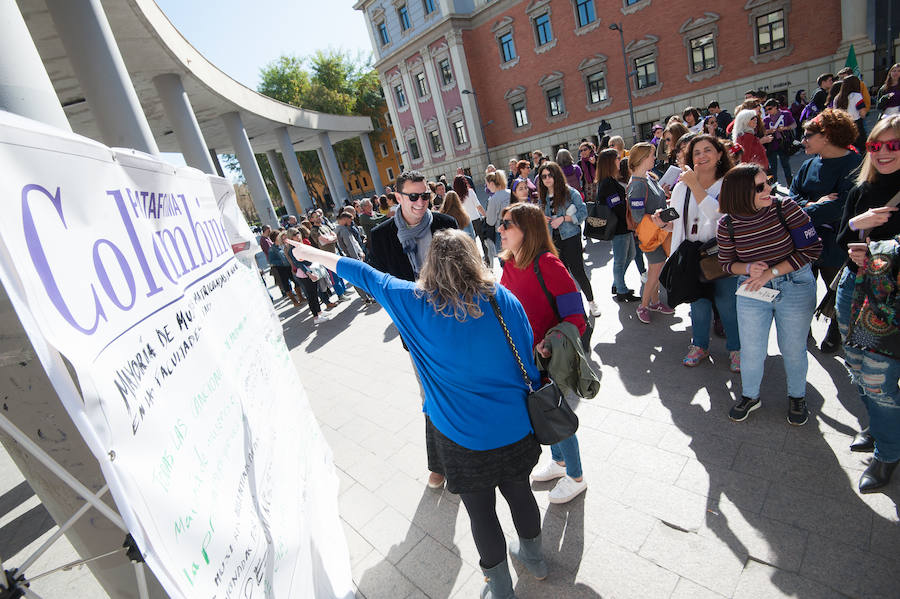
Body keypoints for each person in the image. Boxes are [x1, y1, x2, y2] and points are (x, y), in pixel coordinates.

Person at [288, 228, 548, 597]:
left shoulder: (413, 301)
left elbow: (363, 272)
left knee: (481, 513)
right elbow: (527, 357)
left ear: (432, 265)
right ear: (474, 258)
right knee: (520, 493)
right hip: (515, 426)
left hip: (460, 437)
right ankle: (535, 559)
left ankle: (500, 588)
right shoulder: (501, 298)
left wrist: (309, 253)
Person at [717, 164, 822, 424]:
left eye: (768, 182)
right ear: (740, 192)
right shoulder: (727, 224)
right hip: (752, 289)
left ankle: (797, 396)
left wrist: (770, 273)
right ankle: (749, 396)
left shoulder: (785, 208)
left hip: (794, 284)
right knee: (752, 349)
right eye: (760, 187)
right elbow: (726, 264)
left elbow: (811, 249)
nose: (769, 190)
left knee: (793, 348)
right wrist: (748, 268)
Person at [498, 203, 589, 504]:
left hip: (550, 357)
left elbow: (576, 317)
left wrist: (549, 343)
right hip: (524, 358)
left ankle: (576, 477)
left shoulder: (548, 264)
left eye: (507, 224)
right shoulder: (509, 264)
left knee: (556, 414)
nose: (500, 229)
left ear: (527, 230)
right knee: (542, 412)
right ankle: (559, 462)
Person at [835, 115, 900, 492]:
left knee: (877, 378)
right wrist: (858, 227)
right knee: (858, 368)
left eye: (893, 145)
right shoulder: (862, 189)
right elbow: (842, 241)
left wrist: (878, 251)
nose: (883, 153)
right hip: (854, 290)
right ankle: (879, 427)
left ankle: (888, 453)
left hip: (889, 300)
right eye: (876, 146)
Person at [656, 135, 740, 369]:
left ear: (720, 154)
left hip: (722, 255)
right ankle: (700, 345)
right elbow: (676, 217)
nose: (702, 156)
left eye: (707, 150)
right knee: (698, 304)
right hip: (692, 256)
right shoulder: (682, 186)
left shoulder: (729, 183)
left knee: (727, 305)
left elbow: (720, 215)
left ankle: (736, 348)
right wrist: (662, 221)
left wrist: (695, 185)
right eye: (696, 152)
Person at [790, 108, 863, 352]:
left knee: (839, 292)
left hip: (837, 242)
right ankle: (804, 329)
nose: (803, 140)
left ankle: (835, 332)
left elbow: (842, 206)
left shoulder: (854, 163)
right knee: (801, 291)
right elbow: (792, 198)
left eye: (808, 135)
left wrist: (805, 208)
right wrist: (812, 205)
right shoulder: (808, 164)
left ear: (828, 135)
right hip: (804, 241)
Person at [537, 161, 600, 316]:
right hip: (554, 241)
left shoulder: (570, 192)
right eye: (544, 176)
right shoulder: (542, 198)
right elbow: (542, 218)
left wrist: (564, 218)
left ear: (556, 175)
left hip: (571, 237)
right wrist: (543, 219)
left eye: (550, 175)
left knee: (578, 272)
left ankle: (592, 302)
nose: (547, 179)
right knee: (562, 276)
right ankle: (574, 309)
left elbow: (583, 213)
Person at [627, 142, 673, 323]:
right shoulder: (637, 185)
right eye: (652, 155)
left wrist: (664, 196)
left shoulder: (648, 177)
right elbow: (638, 216)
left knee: (656, 268)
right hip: (650, 235)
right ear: (643, 158)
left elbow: (654, 201)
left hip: (658, 232)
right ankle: (643, 306)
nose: (655, 158)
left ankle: (655, 302)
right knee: (656, 268)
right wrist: (658, 217)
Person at [595, 148, 638, 302]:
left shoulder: (610, 181)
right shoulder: (607, 183)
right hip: (619, 226)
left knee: (630, 255)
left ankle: (617, 283)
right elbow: (616, 206)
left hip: (622, 225)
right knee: (620, 260)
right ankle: (621, 290)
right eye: (617, 158)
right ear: (610, 162)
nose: (620, 161)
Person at [284, 227, 334, 324]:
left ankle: (319, 312)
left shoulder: (299, 245)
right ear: (291, 237)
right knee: (311, 296)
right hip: (305, 274)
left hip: (310, 271)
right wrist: (309, 273)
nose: (297, 236)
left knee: (315, 294)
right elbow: (299, 263)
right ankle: (316, 317)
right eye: (294, 235)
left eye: (298, 233)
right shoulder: (292, 249)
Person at [335, 212, 374, 303]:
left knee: (355, 278)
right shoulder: (343, 230)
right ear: (345, 219)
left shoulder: (338, 229)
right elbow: (350, 245)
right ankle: (367, 298)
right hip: (353, 257)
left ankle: (365, 297)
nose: (351, 222)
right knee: (359, 278)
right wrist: (357, 258)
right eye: (350, 220)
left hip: (348, 258)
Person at [763, 98, 797, 185]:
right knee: (772, 167)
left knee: (786, 164)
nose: (768, 111)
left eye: (769, 109)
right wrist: (768, 131)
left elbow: (794, 125)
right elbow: (762, 132)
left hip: (783, 143)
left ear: (776, 107)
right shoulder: (766, 119)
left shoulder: (785, 114)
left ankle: (790, 184)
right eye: (766, 110)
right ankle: (774, 185)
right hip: (771, 145)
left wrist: (785, 128)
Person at [834, 75, 869, 151]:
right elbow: (862, 113)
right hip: (856, 123)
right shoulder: (856, 95)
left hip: (843, 124)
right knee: (862, 148)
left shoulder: (837, 98)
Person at [484, 170, 511, 265]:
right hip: (515, 227)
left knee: (504, 260)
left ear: (491, 183)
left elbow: (490, 221)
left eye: (487, 184)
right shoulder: (511, 193)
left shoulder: (493, 199)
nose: (487, 187)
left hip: (501, 231)